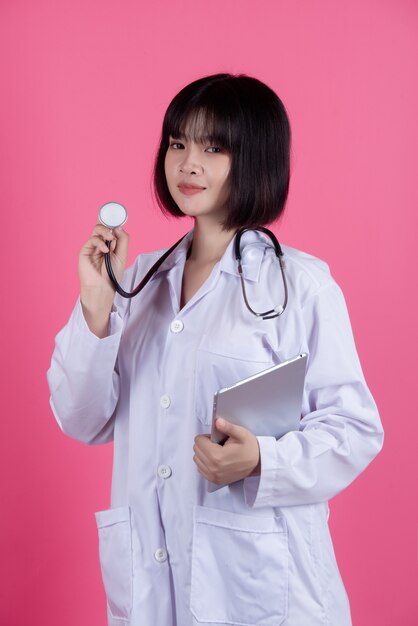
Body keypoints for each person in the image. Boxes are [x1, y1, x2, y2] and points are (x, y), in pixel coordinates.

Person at [47, 73, 384, 626]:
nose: (187, 164)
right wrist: (96, 304)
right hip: (155, 587)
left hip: (263, 585)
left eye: (213, 147)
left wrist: (262, 461)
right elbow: (81, 419)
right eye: (178, 143)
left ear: (255, 158)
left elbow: (355, 427)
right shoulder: (137, 283)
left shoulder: (300, 285)